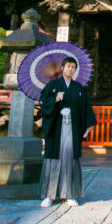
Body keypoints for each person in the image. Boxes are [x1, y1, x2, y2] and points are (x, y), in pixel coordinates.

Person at [39, 56, 97, 207]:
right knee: (53, 159)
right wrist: (55, 100)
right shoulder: (52, 86)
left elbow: (86, 108)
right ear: (62, 68)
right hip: (56, 127)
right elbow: (43, 103)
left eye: (73, 67)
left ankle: (70, 195)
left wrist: (90, 122)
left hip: (72, 127)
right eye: (68, 66)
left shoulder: (78, 88)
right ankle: (49, 195)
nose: (70, 69)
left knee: (70, 158)